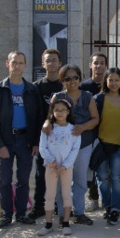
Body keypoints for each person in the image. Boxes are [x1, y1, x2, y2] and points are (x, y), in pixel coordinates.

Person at [0, 51, 41, 228]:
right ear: (7, 64)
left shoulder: (32, 90)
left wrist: (35, 142)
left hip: (25, 139)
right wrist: (0, 144)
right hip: (6, 139)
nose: (17, 66)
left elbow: (38, 118)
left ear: (25, 65)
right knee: (4, 180)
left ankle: (21, 214)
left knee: (23, 179)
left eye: (20, 63)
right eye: (14, 63)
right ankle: (6, 215)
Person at [44, 64, 99, 226]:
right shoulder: (58, 97)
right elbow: (50, 117)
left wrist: (83, 127)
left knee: (80, 179)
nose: (72, 81)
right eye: (67, 78)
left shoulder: (87, 96)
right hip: (63, 146)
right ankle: (63, 213)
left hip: (83, 144)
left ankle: (80, 212)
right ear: (62, 81)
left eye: (74, 77)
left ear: (79, 78)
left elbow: (95, 119)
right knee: (62, 179)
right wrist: (46, 124)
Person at [94, 68, 120, 225]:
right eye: (111, 80)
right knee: (102, 178)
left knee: (116, 178)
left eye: (117, 80)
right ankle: (108, 206)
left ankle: (116, 208)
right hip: (102, 145)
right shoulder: (98, 99)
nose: (114, 83)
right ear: (106, 81)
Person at [37, 98, 81, 236]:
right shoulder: (48, 129)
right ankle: (48, 223)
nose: (60, 113)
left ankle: (66, 223)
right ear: (52, 112)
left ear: (68, 112)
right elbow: (42, 147)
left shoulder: (73, 130)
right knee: (50, 194)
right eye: (57, 110)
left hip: (66, 168)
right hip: (51, 167)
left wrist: (65, 165)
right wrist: (52, 162)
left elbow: (75, 150)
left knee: (66, 193)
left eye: (63, 110)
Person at [28, 48, 63, 221]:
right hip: (43, 140)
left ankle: (59, 205)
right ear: (43, 64)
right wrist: (35, 142)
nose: (51, 63)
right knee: (40, 175)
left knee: (61, 173)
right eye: (48, 60)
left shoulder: (64, 87)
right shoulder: (36, 87)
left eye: (54, 60)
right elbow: (34, 117)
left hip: (62, 140)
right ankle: (38, 207)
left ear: (60, 63)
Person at [80, 52, 108, 213]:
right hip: (90, 132)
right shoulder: (84, 87)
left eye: (102, 63)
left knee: (107, 170)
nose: (99, 66)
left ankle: (107, 199)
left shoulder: (111, 84)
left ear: (106, 65)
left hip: (108, 132)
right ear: (90, 65)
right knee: (91, 166)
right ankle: (93, 198)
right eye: (96, 63)